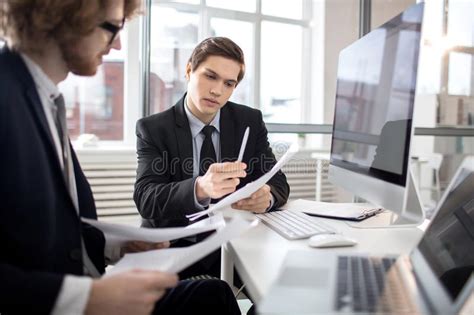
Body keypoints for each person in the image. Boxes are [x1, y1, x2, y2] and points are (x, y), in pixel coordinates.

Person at [0, 1, 240, 314]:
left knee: (213, 294)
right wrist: (86, 298)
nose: (118, 44)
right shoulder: (7, 96)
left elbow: (49, 223)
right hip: (54, 302)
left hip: (90, 282)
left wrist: (116, 246)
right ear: (60, 14)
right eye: (111, 28)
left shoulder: (45, 98)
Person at [134, 37, 290, 277]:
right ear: (189, 70)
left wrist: (266, 197)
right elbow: (146, 198)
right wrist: (200, 188)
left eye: (229, 83)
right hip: (175, 248)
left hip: (234, 245)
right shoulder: (153, 129)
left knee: (280, 290)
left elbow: (278, 182)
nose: (217, 90)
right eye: (210, 76)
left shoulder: (249, 122)